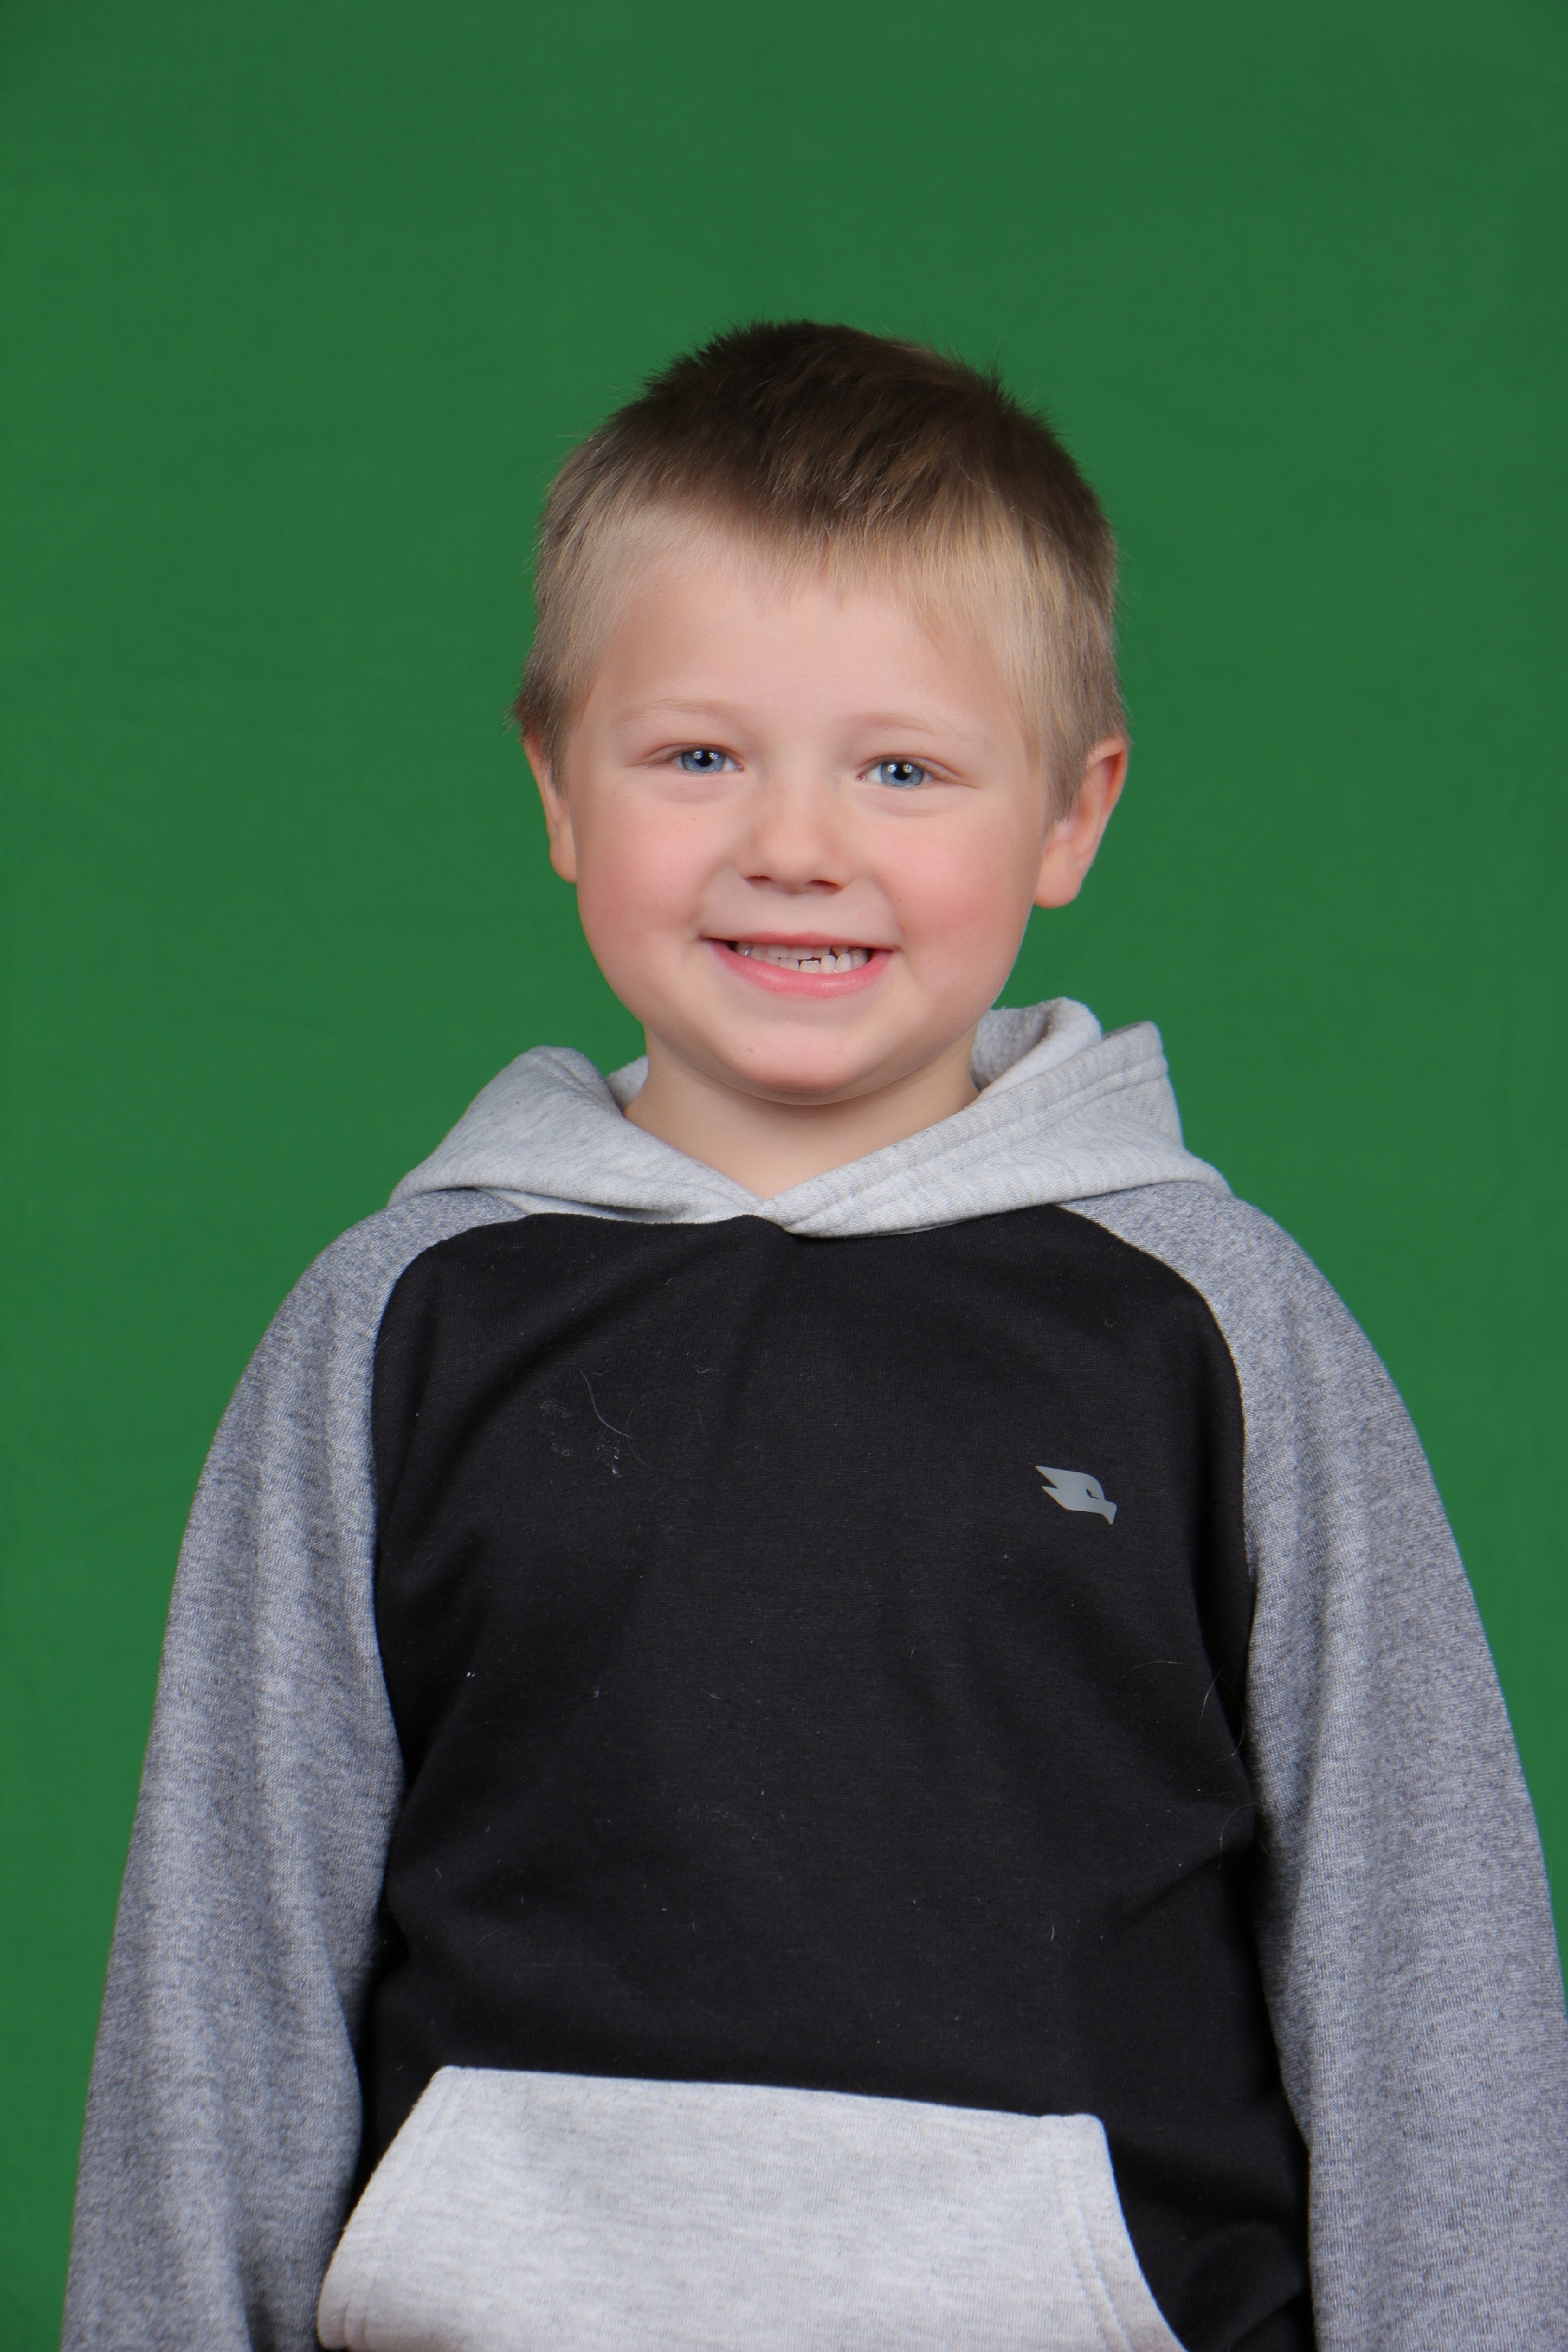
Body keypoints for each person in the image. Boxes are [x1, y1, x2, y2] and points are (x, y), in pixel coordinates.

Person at [64, 322, 1567, 2352]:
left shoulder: (1220, 1331)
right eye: (699, 756)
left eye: (903, 768)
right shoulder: (396, 1324)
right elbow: (218, 1980)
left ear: (1072, 813)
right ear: (556, 783)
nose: (795, 843)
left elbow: (1428, 1975)